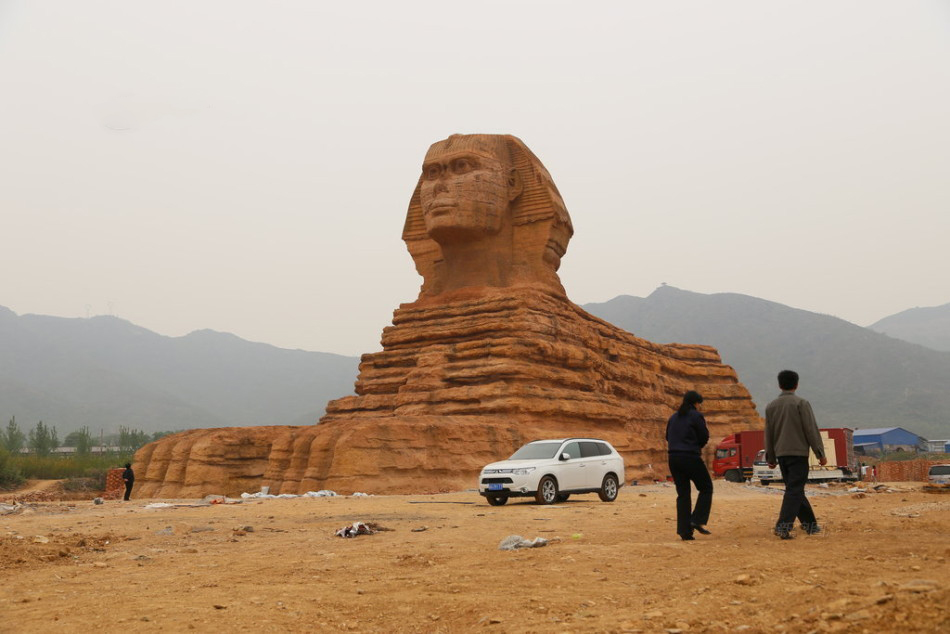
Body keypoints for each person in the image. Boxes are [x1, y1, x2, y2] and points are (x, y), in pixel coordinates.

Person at [764, 370, 826, 539]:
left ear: (779, 385)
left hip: (782, 455)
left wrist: (770, 457)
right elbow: (810, 429)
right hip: (798, 454)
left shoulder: (771, 406)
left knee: (795, 489)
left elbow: (768, 433)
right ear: (796, 384)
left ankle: (811, 526)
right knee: (794, 490)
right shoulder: (801, 403)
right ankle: (783, 526)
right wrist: (820, 453)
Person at [666, 390, 713, 541]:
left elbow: (668, 437)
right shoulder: (696, 416)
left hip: (673, 458)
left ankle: (684, 531)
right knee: (706, 487)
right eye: (700, 404)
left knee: (683, 494)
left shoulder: (673, 417)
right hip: (690, 457)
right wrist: (695, 446)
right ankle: (697, 519)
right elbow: (704, 436)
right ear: (696, 403)